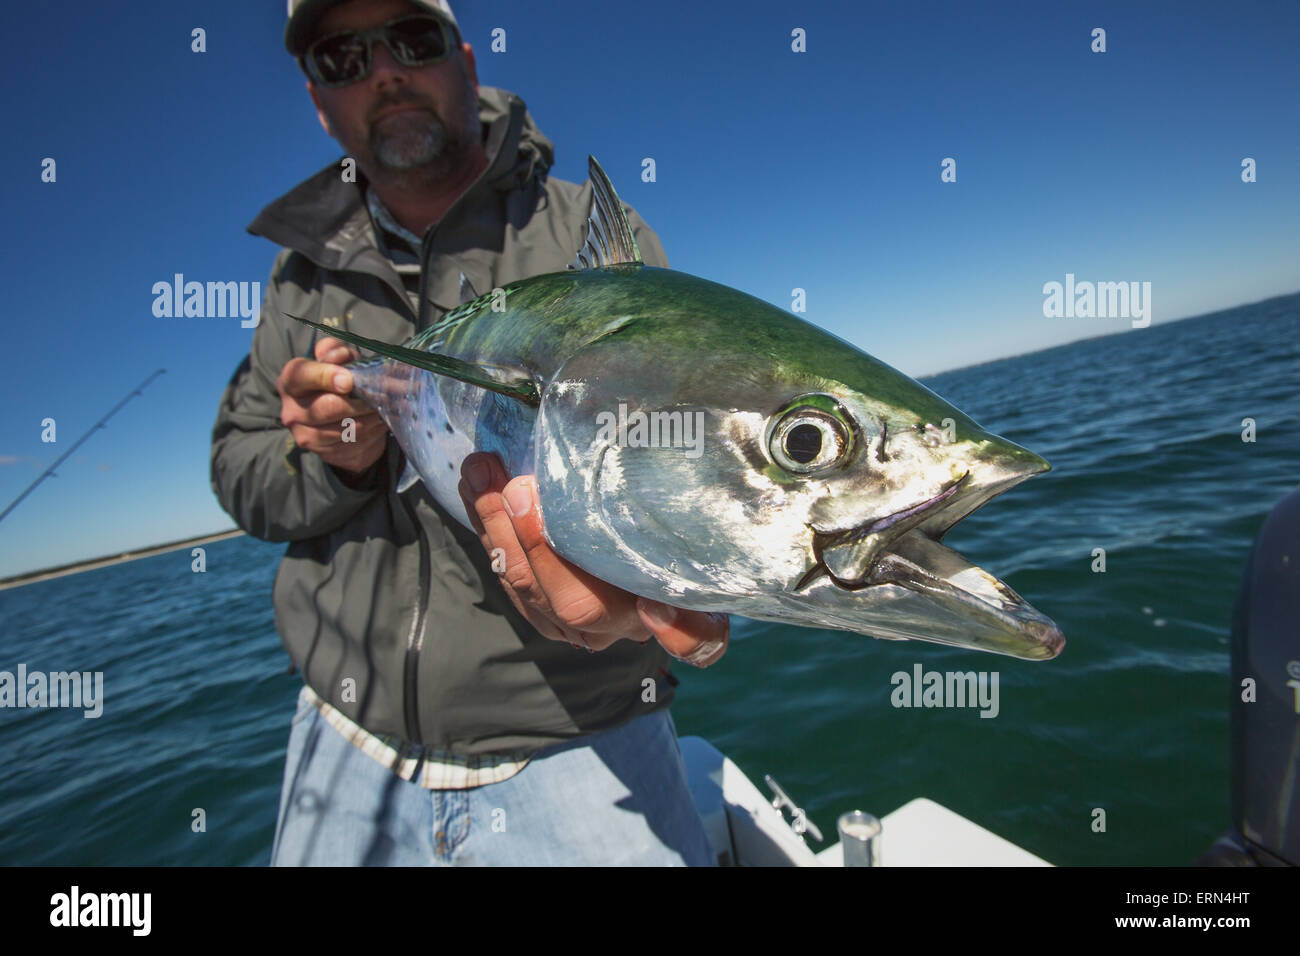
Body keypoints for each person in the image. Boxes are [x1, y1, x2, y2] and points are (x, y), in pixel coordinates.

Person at [210, 0, 729, 866]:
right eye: (344, 57)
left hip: (580, 736)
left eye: (412, 40)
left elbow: (676, 447)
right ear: (317, 100)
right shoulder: (297, 279)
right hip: (343, 732)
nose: (383, 72)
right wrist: (332, 462)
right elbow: (239, 471)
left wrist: (648, 594)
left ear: (467, 60)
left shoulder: (591, 240)